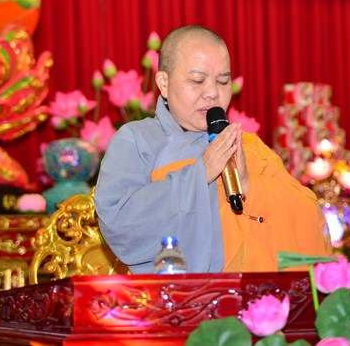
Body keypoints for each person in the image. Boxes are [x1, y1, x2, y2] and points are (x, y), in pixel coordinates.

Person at [94, 25, 332, 274]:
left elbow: (311, 218)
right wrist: (199, 174)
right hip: (173, 293)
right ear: (163, 83)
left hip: (258, 295)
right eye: (197, 81)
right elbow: (119, 223)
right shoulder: (136, 140)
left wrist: (249, 184)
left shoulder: (248, 147)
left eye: (222, 81)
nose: (212, 93)